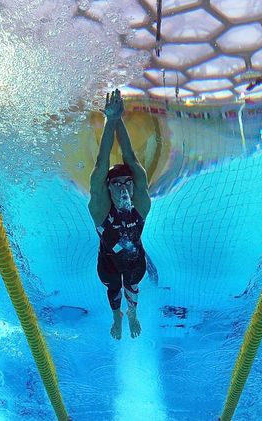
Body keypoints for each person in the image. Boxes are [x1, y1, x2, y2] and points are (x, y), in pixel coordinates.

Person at [89, 89, 152, 339]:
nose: (124, 187)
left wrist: (118, 120)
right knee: (114, 288)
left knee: (133, 285)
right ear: (107, 187)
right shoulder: (100, 208)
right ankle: (117, 317)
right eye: (117, 183)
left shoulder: (141, 203)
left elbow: (131, 158)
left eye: (128, 182)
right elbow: (101, 163)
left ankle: (133, 314)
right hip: (107, 263)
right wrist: (110, 121)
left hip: (136, 261)